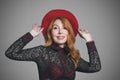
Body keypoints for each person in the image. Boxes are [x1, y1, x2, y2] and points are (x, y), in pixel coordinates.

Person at [5, 9, 101, 80]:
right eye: (55, 28)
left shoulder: (71, 55)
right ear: (50, 32)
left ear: (69, 32)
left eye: (64, 28)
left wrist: (89, 40)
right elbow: (11, 53)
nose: (60, 32)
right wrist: (31, 34)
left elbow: (95, 67)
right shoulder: (42, 52)